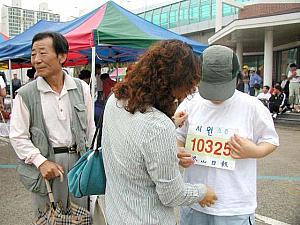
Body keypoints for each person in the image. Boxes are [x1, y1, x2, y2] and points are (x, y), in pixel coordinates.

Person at [101, 40, 217, 225]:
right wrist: (203, 192)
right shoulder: (158, 126)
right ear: (175, 82)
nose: (186, 94)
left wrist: (170, 152)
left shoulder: (116, 99)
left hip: (116, 215)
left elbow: (130, 144)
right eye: (188, 87)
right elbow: (171, 195)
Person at [176, 45, 279, 225]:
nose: (216, 97)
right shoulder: (190, 103)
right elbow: (178, 136)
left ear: (236, 77)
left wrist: (253, 151)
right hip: (195, 203)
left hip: (235, 207)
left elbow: (271, 140)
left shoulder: (252, 106)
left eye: (221, 88)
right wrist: (179, 152)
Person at [9, 32, 95, 216]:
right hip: (47, 164)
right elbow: (18, 136)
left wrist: (91, 160)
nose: (36, 60)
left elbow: (90, 128)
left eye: (42, 53)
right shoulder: (26, 94)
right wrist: (40, 162)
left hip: (79, 162)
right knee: (49, 216)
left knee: (81, 215)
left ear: (62, 56)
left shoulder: (81, 88)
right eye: (33, 54)